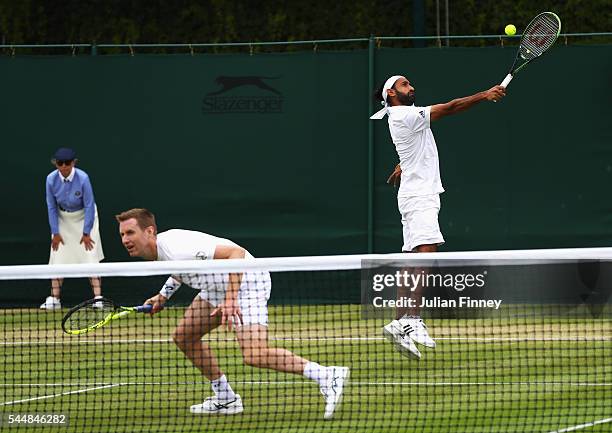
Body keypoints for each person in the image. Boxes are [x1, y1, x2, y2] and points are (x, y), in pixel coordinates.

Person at [116, 208, 349, 419]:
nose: (125, 240)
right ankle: (226, 399)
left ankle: (327, 375)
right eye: (123, 235)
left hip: (247, 281)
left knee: (255, 354)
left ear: (149, 231)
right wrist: (163, 296)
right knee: (184, 337)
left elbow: (235, 253)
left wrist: (230, 300)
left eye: (130, 233)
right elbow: (179, 271)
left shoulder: (177, 246)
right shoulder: (160, 252)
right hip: (216, 287)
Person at [370, 75, 506, 358]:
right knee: (426, 252)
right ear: (391, 94)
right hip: (419, 196)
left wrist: (402, 163)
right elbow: (451, 107)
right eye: (405, 85)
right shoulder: (404, 115)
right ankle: (412, 319)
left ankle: (398, 322)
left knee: (411, 259)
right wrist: (485, 94)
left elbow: (413, 148)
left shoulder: (401, 117)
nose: (412, 88)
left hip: (413, 193)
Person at [42, 147, 104, 310]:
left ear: (73, 163)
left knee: (90, 254)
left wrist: (86, 232)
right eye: (60, 163)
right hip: (62, 219)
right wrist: (55, 232)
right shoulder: (50, 180)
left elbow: (89, 205)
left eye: (67, 163)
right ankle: (55, 299)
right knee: (58, 256)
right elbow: (51, 207)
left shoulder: (83, 178)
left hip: (85, 217)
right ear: (55, 164)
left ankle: (98, 298)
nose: (63, 167)